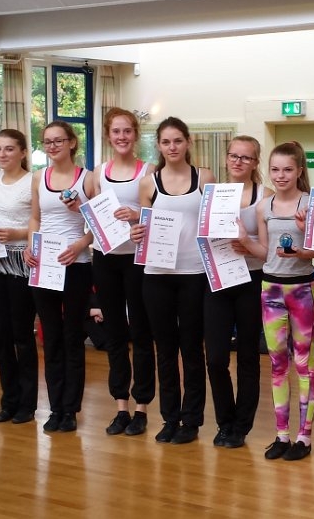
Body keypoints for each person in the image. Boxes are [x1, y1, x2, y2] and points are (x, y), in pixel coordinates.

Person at [130, 117, 215, 445]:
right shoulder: (147, 183)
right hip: (157, 275)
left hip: (194, 274)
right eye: (166, 142)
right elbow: (143, 226)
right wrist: (136, 233)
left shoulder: (204, 178)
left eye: (178, 140)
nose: (172, 147)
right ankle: (169, 418)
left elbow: (213, 223)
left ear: (188, 142)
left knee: (192, 349)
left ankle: (191, 420)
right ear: (159, 146)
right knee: (164, 350)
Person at [237, 141, 314, 461]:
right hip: (271, 288)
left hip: (302, 289)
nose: (280, 175)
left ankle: (304, 437)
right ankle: (282, 434)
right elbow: (266, 252)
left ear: (299, 171)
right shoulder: (264, 207)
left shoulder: (311, 204)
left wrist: (303, 245)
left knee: (304, 364)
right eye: (275, 170)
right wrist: (244, 241)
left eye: (287, 169)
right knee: (277, 365)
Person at [87, 108, 155, 437]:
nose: (122, 136)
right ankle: (120, 406)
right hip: (105, 258)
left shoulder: (149, 171)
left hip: (137, 259)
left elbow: (159, 214)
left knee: (140, 332)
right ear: (108, 135)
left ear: (135, 134)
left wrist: (137, 214)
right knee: (114, 334)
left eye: (127, 131)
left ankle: (141, 407)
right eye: (116, 131)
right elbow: (86, 211)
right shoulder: (98, 173)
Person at [23, 120, 94, 433]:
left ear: (72, 142)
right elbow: (35, 218)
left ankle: (71, 409)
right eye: (48, 142)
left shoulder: (87, 178)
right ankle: (55, 408)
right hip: (45, 265)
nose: (53, 146)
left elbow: (97, 223)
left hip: (76, 264)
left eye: (58, 141)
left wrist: (80, 244)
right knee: (50, 337)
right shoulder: (39, 177)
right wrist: (30, 246)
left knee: (72, 336)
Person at [204, 135, 271, 449]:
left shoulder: (264, 196)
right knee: (216, 358)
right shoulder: (213, 194)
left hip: (251, 281)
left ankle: (241, 426)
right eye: (234, 156)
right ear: (226, 158)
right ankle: (224, 421)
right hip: (217, 280)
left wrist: (246, 244)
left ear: (255, 162)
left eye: (246, 157)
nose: (238, 162)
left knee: (247, 356)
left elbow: (267, 250)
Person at [0, 129, 37, 424]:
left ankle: (27, 403)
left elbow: (42, 222)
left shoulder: (32, 182)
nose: (2, 154)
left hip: (19, 263)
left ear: (23, 152)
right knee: (0, 335)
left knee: (21, 335)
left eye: (9, 149)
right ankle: (9, 399)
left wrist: (17, 234)